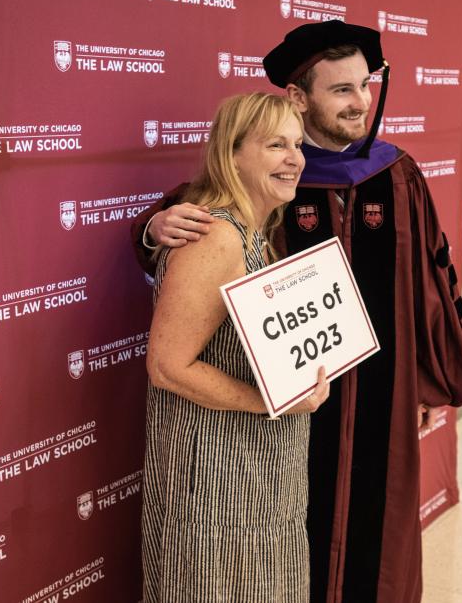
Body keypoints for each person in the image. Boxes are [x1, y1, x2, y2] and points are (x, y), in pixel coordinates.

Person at [133, 22, 462, 603]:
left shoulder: (398, 174)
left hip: (380, 387)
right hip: (281, 400)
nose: (360, 101)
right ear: (299, 97)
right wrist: (151, 227)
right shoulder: (256, 179)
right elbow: (194, 228)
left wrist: (423, 380)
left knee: (373, 525)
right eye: (341, 90)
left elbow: (431, 276)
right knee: (281, 543)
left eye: (364, 86)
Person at [142, 92, 330, 603]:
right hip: (215, 480)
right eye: (276, 145)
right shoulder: (216, 236)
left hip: (260, 474)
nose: (295, 159)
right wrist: (271, 401)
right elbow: (167, 366)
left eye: (297, 144)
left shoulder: (258, 230)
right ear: (232, 153)